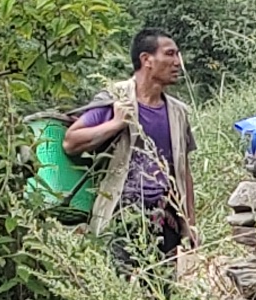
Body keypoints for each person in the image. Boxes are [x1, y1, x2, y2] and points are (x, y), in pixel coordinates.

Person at [65, 31, 197, 271]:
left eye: (177, 54)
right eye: (170, 54)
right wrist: (115, 124)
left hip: (165, 218)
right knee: (120, 288)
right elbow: (71, 142)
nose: (178, 62)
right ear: (147, 59)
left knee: (162, 294)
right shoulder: (116, 98)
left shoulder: (179, 112)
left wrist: (190, 224)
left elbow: (183, 170)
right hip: (121, 215)